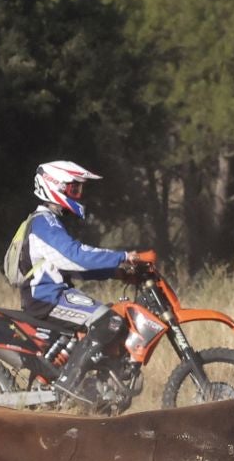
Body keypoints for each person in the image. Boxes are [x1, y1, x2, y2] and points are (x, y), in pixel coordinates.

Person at [8, 160, 153, 400]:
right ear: (54, 186)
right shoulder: (44, 223)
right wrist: (125, 256)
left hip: (52, 294)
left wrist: (115, 273)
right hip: (47, 297)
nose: (78, 194)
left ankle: (90, 385)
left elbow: (71, 266)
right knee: (110, 322)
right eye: (73, 189)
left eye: (79, 189)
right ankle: (67, 388)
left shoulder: (48, 221)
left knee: (107, 319)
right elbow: (75, 256)